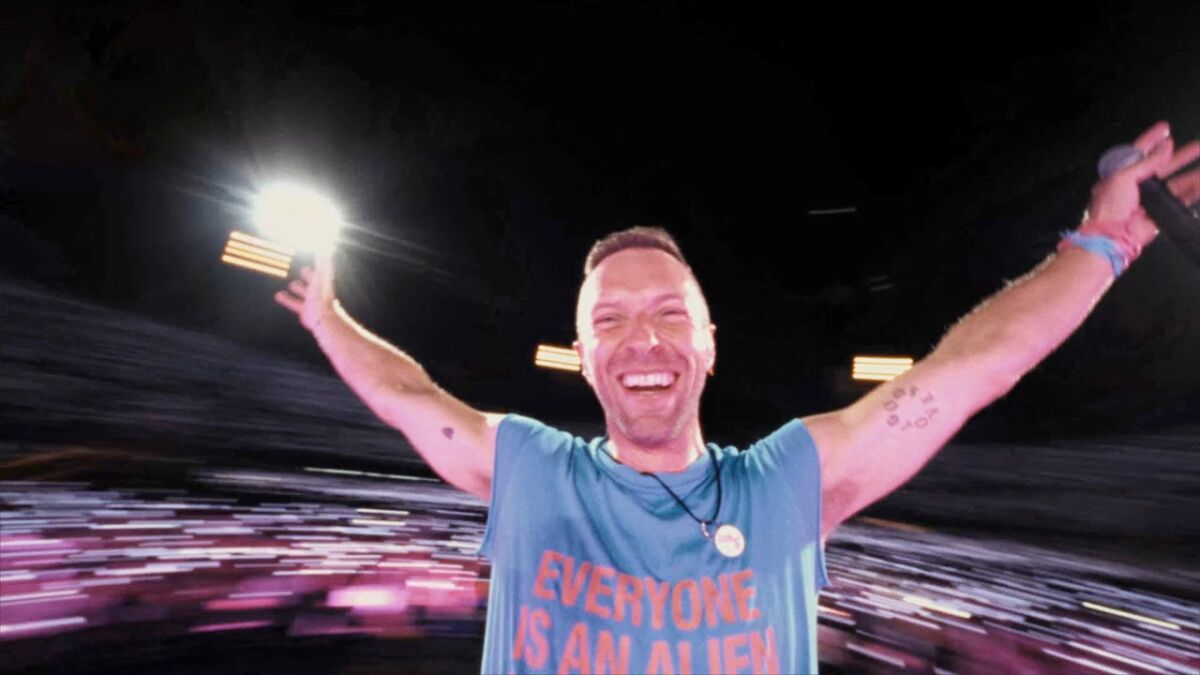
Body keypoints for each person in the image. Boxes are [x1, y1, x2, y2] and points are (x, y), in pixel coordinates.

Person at [275, 121, 1199, 674]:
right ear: (585, 358)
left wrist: (1103, 244)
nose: (643, 339)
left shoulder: (787, 482)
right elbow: (406, 393)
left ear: (711, 344)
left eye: (670, 313)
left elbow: (965, 373)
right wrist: (327, 316)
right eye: (611, 320)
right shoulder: (529, 470)